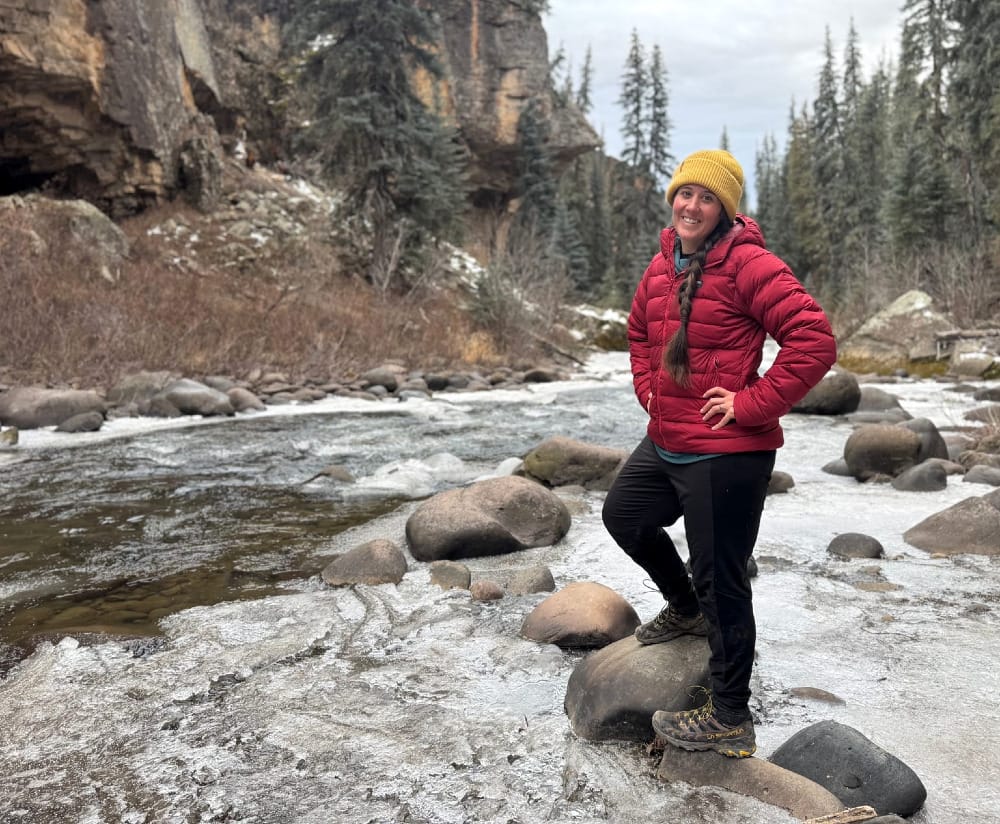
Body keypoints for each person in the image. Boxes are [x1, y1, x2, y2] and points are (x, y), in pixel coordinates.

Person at [601, 149, 836, 758]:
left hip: (728, 453)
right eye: (685, 194)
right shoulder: (660, 265)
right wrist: (648, 389)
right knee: (623, 516)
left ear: (724, 209)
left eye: (707, 198)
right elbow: (635, 334)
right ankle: (683, 610)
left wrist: (751, 403)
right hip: (669, 436)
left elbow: (813, 341)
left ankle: (731, 714)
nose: (692, 206)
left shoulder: (750, 264)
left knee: (722, 581)